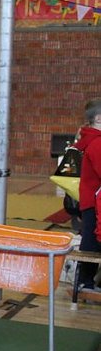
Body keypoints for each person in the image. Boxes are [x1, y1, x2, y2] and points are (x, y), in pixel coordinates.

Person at [75, 99, 101, 293]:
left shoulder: (91, 139)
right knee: (91, 241)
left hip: (91, 198)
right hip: (93, 200)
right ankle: (85, 282)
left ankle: (87, 280)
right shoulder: (96, 142)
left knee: (91, 238)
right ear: (98, 119)